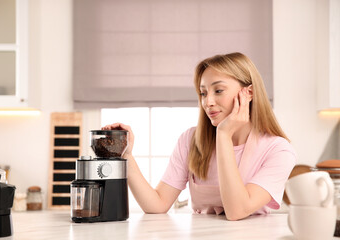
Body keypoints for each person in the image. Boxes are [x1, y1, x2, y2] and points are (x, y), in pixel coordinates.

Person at [102, 52, 296, 221]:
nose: (208, 102)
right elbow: (157, 205)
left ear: (249, 92)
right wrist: (126, 155)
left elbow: (237, 212)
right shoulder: (190, 139)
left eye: (218, 91)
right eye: (203, 93)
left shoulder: (279, 151)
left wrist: (224, 135)